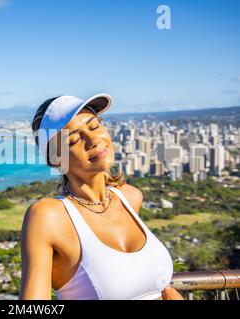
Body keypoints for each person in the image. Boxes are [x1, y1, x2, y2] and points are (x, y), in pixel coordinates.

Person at [19, 94, 184, 300]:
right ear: (55, 159)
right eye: (74, 139)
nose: (93, 140)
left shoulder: (131, 197)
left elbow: (161, 290)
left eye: (95, 126)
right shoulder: (48, 216)